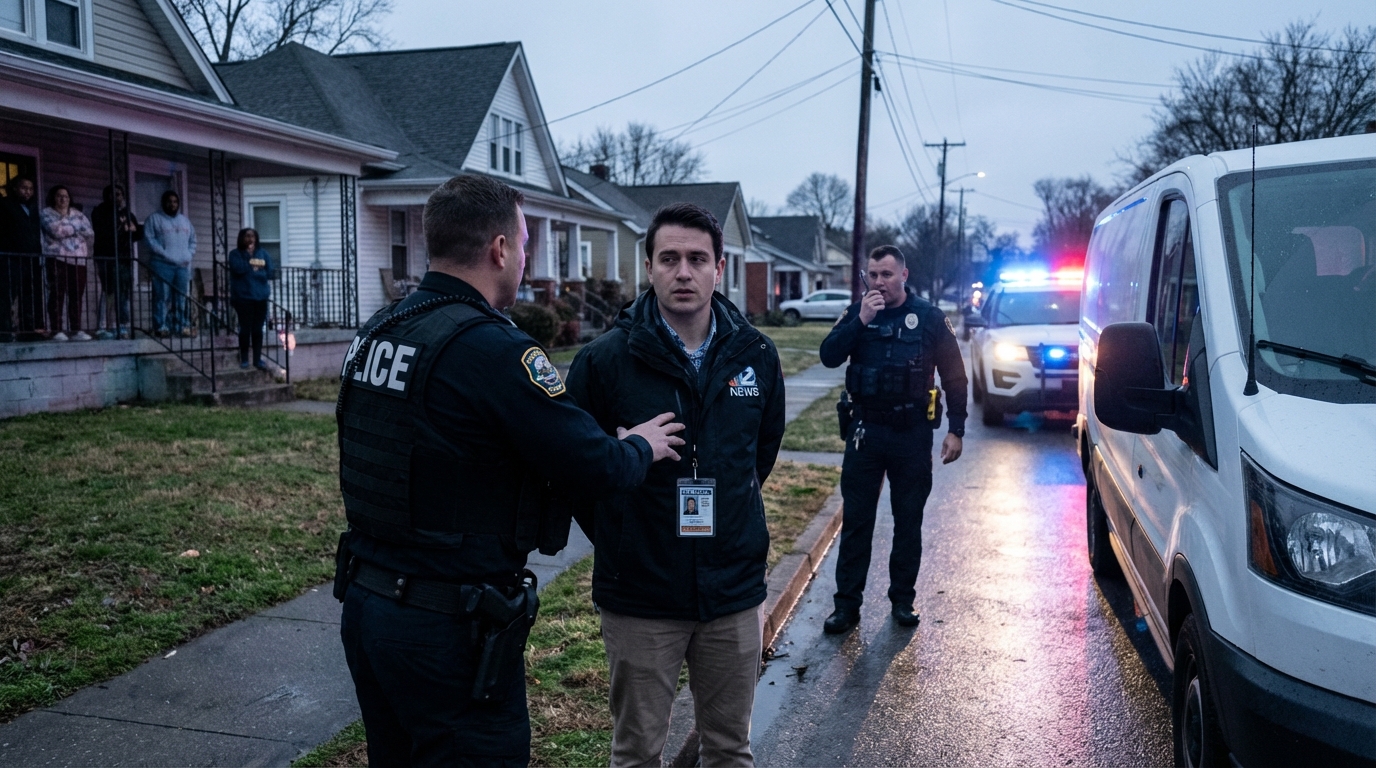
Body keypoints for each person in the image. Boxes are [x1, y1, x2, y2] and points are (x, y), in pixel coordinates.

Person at [334, 174, 686, 767]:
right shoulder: (494, 349)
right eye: (524, 242)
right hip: (446, 628)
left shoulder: (380, 331)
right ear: (500, 249)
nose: (526, 257)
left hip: (369, 607)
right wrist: (640, 446)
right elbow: (591, 463)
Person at [566, 202, 786, 767]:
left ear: (719, 268)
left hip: (732, 592)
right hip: (641, 593)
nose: (682, 272)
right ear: (649, 267)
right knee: (637, 753)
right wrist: (626, 530)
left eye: (696, 259)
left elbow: (758, 456)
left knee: (730, 749)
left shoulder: (755, 356)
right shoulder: (603, 362)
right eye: (669, 259)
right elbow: (579, 472)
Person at [818, 245, 968, 634]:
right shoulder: (858, 312)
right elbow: (829, 355)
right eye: (872, 274)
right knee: (856, 523)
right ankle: (846, 607)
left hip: (911, 434)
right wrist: (861, 321)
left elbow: (954, 377)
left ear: (904, 274)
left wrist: (957, 429)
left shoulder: (930, 318)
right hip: (866, 432)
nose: (879, 282)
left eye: (886, 274)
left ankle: (903, 601)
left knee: (908, 521)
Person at [40, 185, 96, 341]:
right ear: (53, 197)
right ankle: (57, 330)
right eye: (59, 196)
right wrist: (76, 228)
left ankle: (76, 330)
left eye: (66, 196)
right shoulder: (46, 213)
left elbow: (90, 232)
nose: (63, 199)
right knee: (57, 295)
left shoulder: (78, 214)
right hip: (57, 258)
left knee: (76, 296)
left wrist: (67, 227)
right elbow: (55, 231)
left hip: (78, 260)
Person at [142, 190, 196, 337]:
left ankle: (180, 326)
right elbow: (149, 239)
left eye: (175, 202)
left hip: (182, 267)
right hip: (162, 264)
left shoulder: (185, 221)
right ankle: (161, 326)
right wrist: (164, 253)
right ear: (163, 203)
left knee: (180, 297)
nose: (172, 204)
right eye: (169, 201)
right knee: (161, 296)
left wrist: (188, 254)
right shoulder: (154, 219)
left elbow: (193, 241)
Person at [91, 184, 141, 340]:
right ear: (106, 196)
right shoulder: (99, 211)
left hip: (124, 258)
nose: (116, 197)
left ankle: (122, 325)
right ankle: (103, 325)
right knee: (109, 291)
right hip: (106, 257)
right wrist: (123, 227)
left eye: (119, 194)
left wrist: (129, 229)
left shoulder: (127, 213)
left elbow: (137, 233)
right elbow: (105, 232)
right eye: (113, 194)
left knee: (123, 292)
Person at [0, 177, 44, 340]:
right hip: (10, 257)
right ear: (14, 188)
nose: (28, 192)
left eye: (31, 189)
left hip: (31, 258)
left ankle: (28, 331)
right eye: (24, 188)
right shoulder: (5, 205)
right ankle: (3, 331)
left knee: (29, 295)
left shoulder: (32, 208)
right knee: (7, 295)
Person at [227, 228, 277, 369]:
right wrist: (250, 260)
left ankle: (257, 359)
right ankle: (244, 359)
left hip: (260, 297)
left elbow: (269, 272)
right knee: (245, 329)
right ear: (242, 238)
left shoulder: (263, 254)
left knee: (257, 330)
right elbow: (238, 269)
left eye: (253, 236)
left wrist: (256, 270)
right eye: (247, 236)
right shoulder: (235, 254)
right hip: (243, 298)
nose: (250, 239)